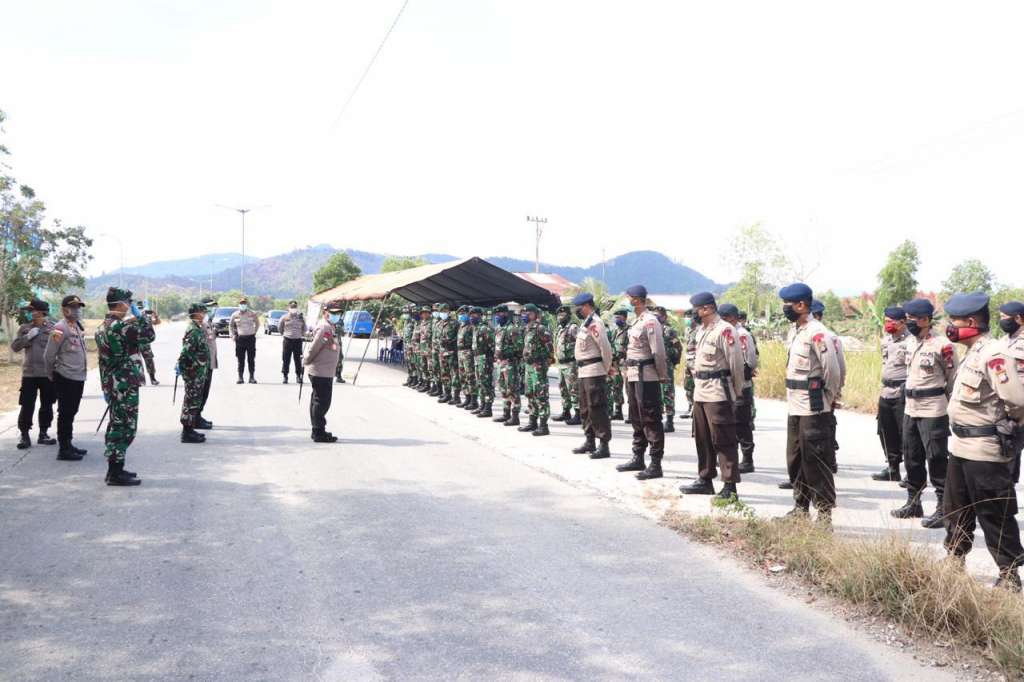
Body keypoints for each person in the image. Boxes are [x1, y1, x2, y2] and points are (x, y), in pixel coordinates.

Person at [942, 292, 1024, 590]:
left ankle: (1009, 574)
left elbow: (1017, 399)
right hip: (961, 447)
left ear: (972, 322)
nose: (950, 326)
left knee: (994, 513)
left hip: (985, 450)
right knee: (956, 510)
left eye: (955, 321)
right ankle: (954, 561)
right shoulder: (972, 353)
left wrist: (1011, 424)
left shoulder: (994, 354)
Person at [776, 284, 841, 523]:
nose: (784, 309)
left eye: (788, 304)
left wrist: (829, 398)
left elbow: (832, 371)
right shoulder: (797, 331)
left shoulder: (818, 332)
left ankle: (824, 516)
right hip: (795, 406)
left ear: (801, 305)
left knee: (816, 461)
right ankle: (800, 508)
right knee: (795, 458)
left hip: (814, 407)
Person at [893, 298, 956, 527]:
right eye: (908, 319)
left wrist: (949, 409)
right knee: (912, 457)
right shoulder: (910, 343)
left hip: (934, 409)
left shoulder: (943, 345)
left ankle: (943, 507)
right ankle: (913, 502)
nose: (909, 323)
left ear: (926, 320)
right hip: (911, 407)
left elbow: (952, 379)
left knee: (937, 458)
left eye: (913, 319)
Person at [679, 293, 746, 499]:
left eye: (696, 310)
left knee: (723, 440)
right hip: (701, 392)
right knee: (703, 439)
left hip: (718, 392)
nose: (694, 314)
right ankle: (705, 479)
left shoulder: (725, 330)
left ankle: (729, 486)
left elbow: (736, 365)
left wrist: (735, 393)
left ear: (707, 309)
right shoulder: (702, 331)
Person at [95, 287, 154, 486]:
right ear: (121, 304)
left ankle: (115, 469)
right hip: (124, 384)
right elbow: (149, 335)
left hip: (113, 383)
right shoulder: (120, 327)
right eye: (128, 303)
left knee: (117, 423)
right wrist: (142, 317)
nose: (129, 306)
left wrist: (106, 386)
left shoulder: (102, 327)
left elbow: (103, 360)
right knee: (125, 426)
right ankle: (114, 472)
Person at [617, 285, 668, 480]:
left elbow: (658, 351)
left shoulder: (650, 321)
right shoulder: (636, 321)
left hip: (646, 376)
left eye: (628, 298)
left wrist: (662, 374)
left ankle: (655, 463)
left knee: (650, 418)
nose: (626, 301)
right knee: (636, 417)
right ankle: (638, 456)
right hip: (632, 374)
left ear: (637, 300)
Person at [43, 295, 89, 460]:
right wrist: (50, 374)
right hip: (65, 376)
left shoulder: (76, 327)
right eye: (73, 307)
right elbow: (49, 355)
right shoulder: (60, 328)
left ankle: (68, 443)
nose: (77, 310)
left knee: (72, 411)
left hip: (78, 376)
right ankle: (63, 449)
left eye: (78, 307)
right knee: (65, 412)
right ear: (64, 309)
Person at [571, 293, 614, 459]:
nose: (577, 311)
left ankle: (603, 444)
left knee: (597, 408)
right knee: (585, 408)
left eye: (579, 308)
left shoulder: (595, 323)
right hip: (583, 371)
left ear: (587, 306)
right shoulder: (586, 323)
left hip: (594, 370)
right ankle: (590, 441)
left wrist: (605, 368)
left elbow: (605, 348)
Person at [11, 299, 56, 451]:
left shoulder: (52, 329)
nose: (30, 313)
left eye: (33, 310)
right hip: (29, 373)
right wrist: (28, 337)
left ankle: (43, 433)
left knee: (47, 404)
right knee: (27, 404)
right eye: (29, 311)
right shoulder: (24, 328)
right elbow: (15, 347)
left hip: (46, 373)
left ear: (42, 312)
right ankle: (24, 435)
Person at [874, 306, 910, 482]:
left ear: (903, 322)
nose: (887, 324)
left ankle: (911, 472)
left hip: (902, 393)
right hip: (886, 391)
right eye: (886, 321)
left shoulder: (911, 341)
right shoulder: (886, 341)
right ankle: (892, 468)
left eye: (891, 321)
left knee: (906, 433)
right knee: (885, 431)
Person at [720, 303, 757, 472]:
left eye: (724, 317)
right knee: (729, 423)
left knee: (742, 423)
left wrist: (741, 380)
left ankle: (747, 459)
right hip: (727, 385)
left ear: (731, 318)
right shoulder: (727, 333)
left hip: (741, 385)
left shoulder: (742, 334)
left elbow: (749, 361)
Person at [304, 300, 345, 443]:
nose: (336, 315)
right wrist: (306, 361)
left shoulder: (330, 327)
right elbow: (314, 348)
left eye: (339, 313)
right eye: (333, 313)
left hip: (324, 371)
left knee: (318, 401)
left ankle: (317, 430)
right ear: (325, 313)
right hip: (320, 371)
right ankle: (318, 432)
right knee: (322, 402)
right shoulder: (324, 328)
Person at [178, 303, 211, 444]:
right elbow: (186, 353)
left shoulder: (197, 328)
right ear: (196, 314)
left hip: (198, 373)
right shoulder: (193, 330)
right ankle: (186, 432)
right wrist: (190, 371)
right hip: (193, 374)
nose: (204, 314)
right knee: (190, 402)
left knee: (194, 401)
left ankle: (190, 429)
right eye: (202, 312)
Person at [999, 300, 1024, 483]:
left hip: (1021, 407)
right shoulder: (1003, 342)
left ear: (1018, 318)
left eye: (1004, 317)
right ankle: (1007, 500)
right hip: (1006, 406)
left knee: (1012, 452)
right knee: (1007, 454)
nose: (1001, 321)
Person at [519, 303, 554, 436]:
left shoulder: (540, 328)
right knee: (530, 394)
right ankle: (532, 422)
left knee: (541, 395)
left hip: (538, 366)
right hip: (528, 366)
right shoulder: (526, 329)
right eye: (523, 313)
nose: (525, 315)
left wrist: (545, 363)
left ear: (535, 315)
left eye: (528, 313)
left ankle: (543, 426)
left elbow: (549, 348)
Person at [492, 305, 524, 426]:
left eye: (499, 314)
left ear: (505, 314)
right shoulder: (499, 328)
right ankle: (506, 414)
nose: (497, 317)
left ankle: (515, 416)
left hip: (510, 363)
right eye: (496, 315)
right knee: (503, 389)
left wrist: (508, 353)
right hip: (501, 363)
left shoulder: (512, 329)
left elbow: (519, 347)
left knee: (513, 389)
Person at [653, 306, 683, 432]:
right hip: (653, 366)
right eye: (654, 316)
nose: (656, 318)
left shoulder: (669, 331)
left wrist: (673, 360)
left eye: (658, 316)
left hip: (666, 366)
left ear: (664, 317)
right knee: (655, 392)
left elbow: (679, 348)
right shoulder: (652, 330)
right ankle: (657, 419)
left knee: (668, 392)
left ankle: (670, 421)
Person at [553, 304, 581, 425]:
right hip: (561, 363)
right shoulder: (559, 328)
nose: (561, 317)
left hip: (571, 363)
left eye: (563, 315)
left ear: (569, 316)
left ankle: (579, 414)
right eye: (559, 315)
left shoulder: (573, 328)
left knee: (573, 389)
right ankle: (566, 411)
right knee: (563, 388)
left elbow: (580, 344)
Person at [197, 297, 218, 429]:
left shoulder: (208, 323)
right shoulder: (200, 325)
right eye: (210, 307)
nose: (213, 309)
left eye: (214, 306)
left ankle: (198, 416)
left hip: (209, 363)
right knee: (199, 393)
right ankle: (195, 418)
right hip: (202, 365)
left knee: (205, 392)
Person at [470, 307, 495, 418]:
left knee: (486, 384)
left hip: (485, 360)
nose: (472, 318)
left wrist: (490, 359)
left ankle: (488, 408)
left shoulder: (485, 329)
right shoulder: (476, 328)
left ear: (480, 316)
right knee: (480, 383)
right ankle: (482, 405)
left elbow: (493, 346)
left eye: (474, 315)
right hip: (477, 359)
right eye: (471, 316)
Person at [230, 297, 260, 383]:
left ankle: (252, 377)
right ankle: (240, 377)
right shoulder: (235, 315)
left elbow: (257, 323)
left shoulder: (252, 314)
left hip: (250, 338)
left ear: (246, 304)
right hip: (240, 339)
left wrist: (254, 332)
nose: (243, 305)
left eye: (244, 303)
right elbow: (231, 325)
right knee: (240, 359)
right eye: (241, 304)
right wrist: (232, 335)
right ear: (239, 305)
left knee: (251, 359)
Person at [607, 308, 628, 421]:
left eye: (619, 317)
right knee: (615, 386)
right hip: (614, 362)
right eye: (616, 317)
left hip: (625, 364)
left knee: (629, 389)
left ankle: (631, 412)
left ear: (625, 318)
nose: (617, 319)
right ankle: (616, 411)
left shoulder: (629, 330)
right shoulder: (613, 330)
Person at [436, 303, 459, 404]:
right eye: (441, 312)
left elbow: (459, 338)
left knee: (454, 374)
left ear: (449, 312)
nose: (443, 313)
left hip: (452, 352)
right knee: (444, 374)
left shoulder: (455, 323)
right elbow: (437, 338)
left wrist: (451, 342)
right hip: (442, 352)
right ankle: (447, 394)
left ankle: (456, 396)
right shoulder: (439, 324)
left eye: (445, 311)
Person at [279, 300, 305, 384]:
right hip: (287, 340)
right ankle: (285, 376)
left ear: (297, 308)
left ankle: (298, 376)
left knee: (298, 359)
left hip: (298, 340)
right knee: (286, 359)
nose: (293, 309)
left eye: (295, 307)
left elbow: (304, 328)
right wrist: (285, 334)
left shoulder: (300, 318)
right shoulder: (284, 317)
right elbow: (280, 328)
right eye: (292, 307)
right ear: (288, 308)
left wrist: (304, 333)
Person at [456, 306, 477, 409]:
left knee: (470, 377)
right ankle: (467, 398)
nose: (461, 316)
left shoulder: (471, 326)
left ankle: (473, 401)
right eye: (460, 314)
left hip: (468, 353)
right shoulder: (461, 326)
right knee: (463, 377)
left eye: (463, 314)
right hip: (460, 353)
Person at [680, 309, 699, 419]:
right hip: (688, 361)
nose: (687, 319)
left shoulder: (699, 330)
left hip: (696, 361)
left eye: (689, 317)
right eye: (685, 317)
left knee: (697, 385)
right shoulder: (688, 330)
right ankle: (690, 406)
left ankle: (696, 409)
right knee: (688, 385)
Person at [140, 307, 161, 385]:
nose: (141, 311)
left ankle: (152, 379)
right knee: (134, 361)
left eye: (142, 309)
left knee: (149, 360)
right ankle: (139, 380)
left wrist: (155, 315)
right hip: (134, 343)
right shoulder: (132, 318)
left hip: (145, 343)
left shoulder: (147, 319)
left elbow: (158, 322)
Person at [402, 305, 419, 387]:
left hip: (411, 346)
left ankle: (415, 379)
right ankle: (410, 378)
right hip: (406, 345)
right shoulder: (405, 322)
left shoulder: (413, 322)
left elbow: (415, 335)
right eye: (404, 312)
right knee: (408, 363)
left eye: (407, 312)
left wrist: (412, 346)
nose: (405, 314)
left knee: (413, 363)